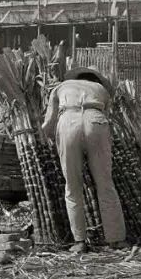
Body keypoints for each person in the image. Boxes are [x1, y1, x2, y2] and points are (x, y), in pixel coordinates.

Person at [41, 66, 127, 254]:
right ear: (95, 79)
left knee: (72, 186)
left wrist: (51, 140)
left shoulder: (61, 87)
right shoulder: (101, 90)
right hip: (96, 121)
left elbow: (48, 123)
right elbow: (108, 114)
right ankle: (117, 240)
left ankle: (79, 241)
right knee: (105, 184)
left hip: (69, 121)